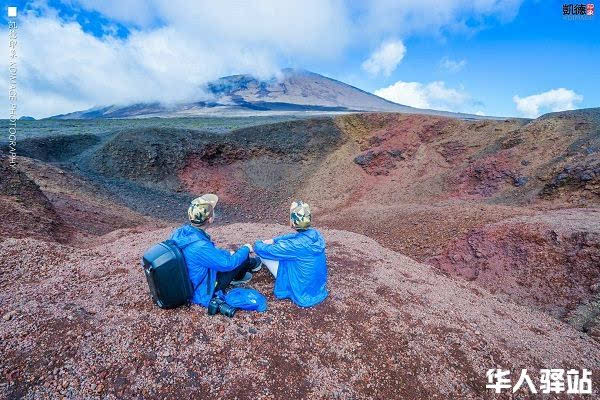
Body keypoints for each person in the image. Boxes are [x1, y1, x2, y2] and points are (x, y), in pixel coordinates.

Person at [169, 194, 262, 307]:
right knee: (242, 256)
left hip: (191, 277)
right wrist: (246, 248)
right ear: (210, 219)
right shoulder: (200, 246)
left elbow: (210, 254)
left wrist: (228, 254)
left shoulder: (181, 233)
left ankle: (250, 263)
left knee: (233, 255)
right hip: (203, 288)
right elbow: (227, 264)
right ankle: (241, 275)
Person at [254, 200, 328, 307]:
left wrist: (259, 243)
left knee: (264, 255)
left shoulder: (294, 245)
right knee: (287, 256)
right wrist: (274, 240)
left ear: (293, 220)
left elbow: (262, 249)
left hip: (303, 292)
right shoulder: (315, 234)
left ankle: (257, 265)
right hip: (318, 288)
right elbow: (292, 236)